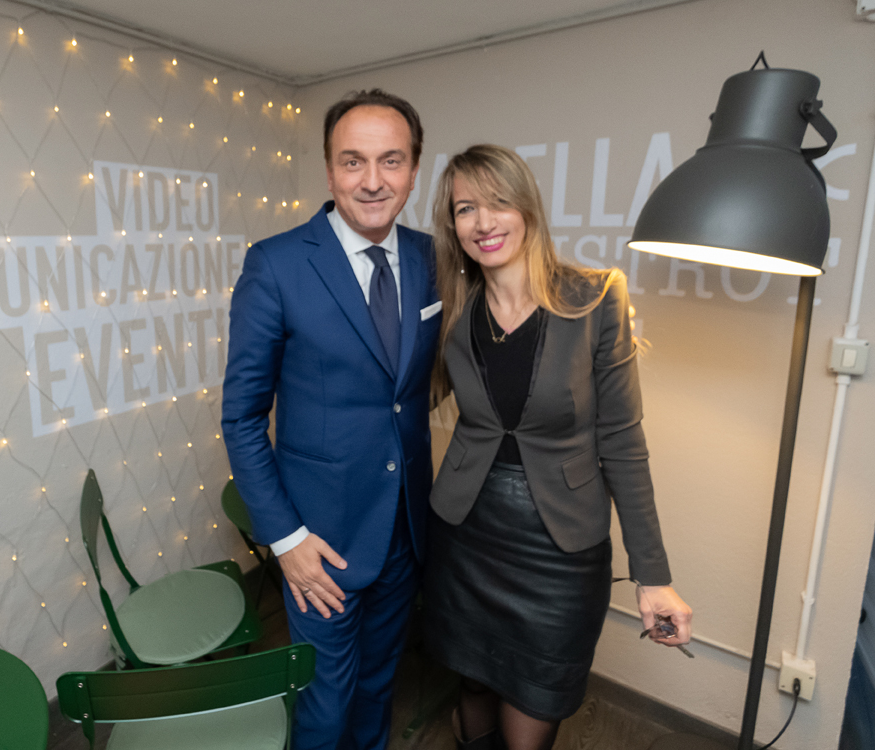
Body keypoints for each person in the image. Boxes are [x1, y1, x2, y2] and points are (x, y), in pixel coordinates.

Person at [422, 144, 693, 750]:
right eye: (466, 208)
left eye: (497, 202)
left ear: (528, 207)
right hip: (466, 530)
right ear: (452, 225)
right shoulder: (453, 311)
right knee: (471, 684)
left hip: (560, 547)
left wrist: (653, 576)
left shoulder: (596, 297)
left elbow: (623, 440)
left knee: (534, 703)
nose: (484, 222)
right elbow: (398, 400)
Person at [221, 90, 440, 750]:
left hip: (404, 527)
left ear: (413, 169)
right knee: (324, 702)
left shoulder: (435, 258)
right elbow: (241, 417)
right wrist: (286, 542)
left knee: (378, 686)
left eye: (390, 161)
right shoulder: (278, 263)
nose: (372, 181)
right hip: (319, 543)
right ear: (328, 170)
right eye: (353, 162)